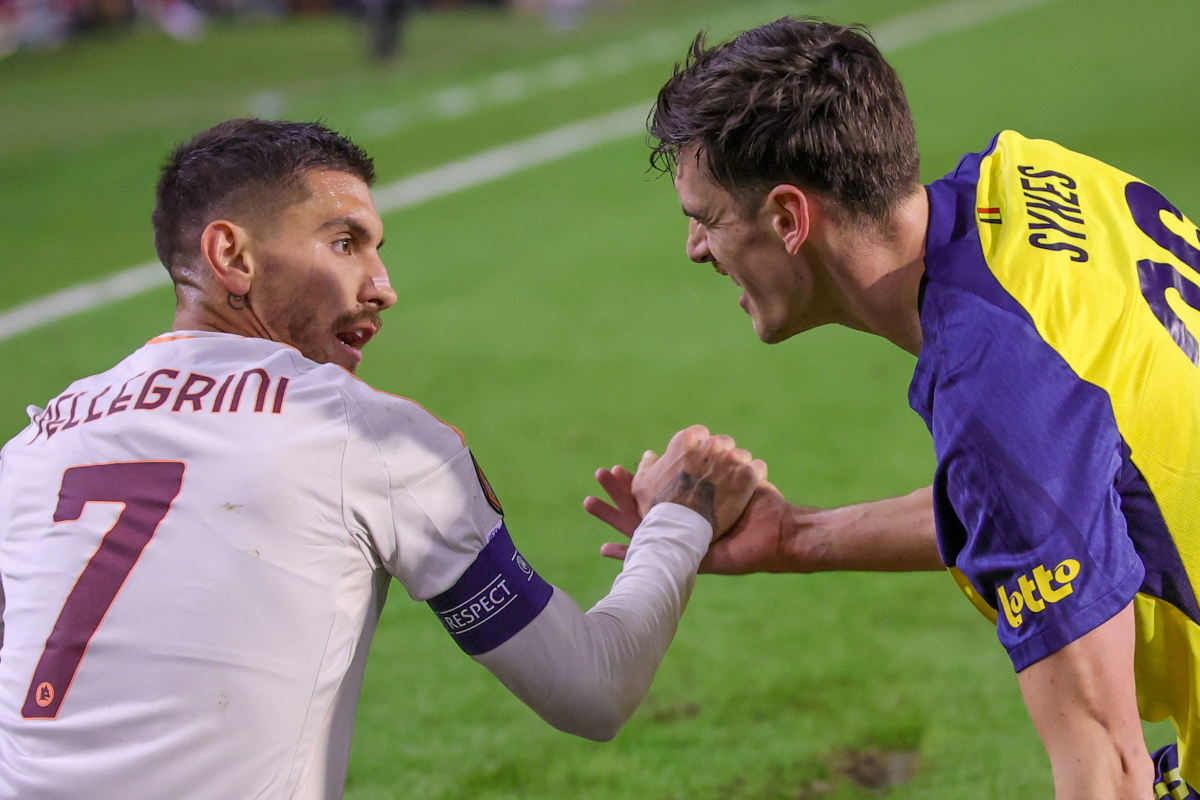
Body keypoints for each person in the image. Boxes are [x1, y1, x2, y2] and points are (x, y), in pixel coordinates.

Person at [0, 118, 767, 799]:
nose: (384, 288)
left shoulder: (30, 450)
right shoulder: (365, 436)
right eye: (344, 243)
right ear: (230, 255)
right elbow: (592, 690)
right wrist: (679, 517)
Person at [583, 18, 1200, 800]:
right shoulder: (1032, 178)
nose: (696, 249)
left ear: (787, 219)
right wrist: (799, 538)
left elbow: (1109, 772)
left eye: (706, 218)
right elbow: (1055, 497)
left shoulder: (1000, 392)